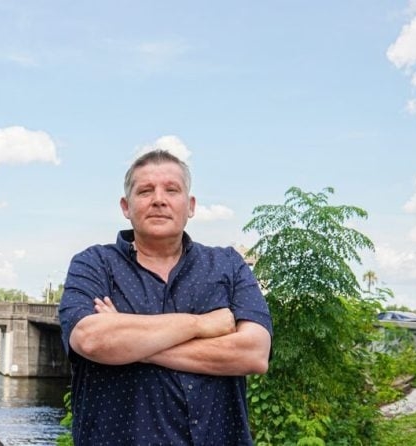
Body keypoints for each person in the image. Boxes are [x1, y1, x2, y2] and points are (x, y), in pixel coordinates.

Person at [58, 149, 273, 445]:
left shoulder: (229, 265)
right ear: (126, 206)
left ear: (190, 206)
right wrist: (202, 325)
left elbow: (254, 354)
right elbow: (91, 340)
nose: (159, 199)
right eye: (145, 191)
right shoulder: (94, 265)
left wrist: (128, 344)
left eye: (172, 190)